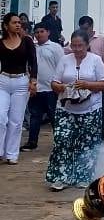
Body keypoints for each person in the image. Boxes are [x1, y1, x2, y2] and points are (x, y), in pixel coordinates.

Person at [46, 31, 104, 190]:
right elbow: (54, 82)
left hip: (90, 109)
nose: (77, 49)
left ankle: (83, 177)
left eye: (80, 45)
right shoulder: (64, 60)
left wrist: (87, 85)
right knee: (62, 141)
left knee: (87, 144)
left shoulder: (96, 60)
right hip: (65, 109)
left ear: (87, 45)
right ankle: (60, 177)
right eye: (74, 45)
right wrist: (61, 87)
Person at [0, 13, 38, 164]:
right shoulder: (1, 42)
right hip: (3, 80)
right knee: (1, 117)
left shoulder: (27, 41)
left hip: (21, 82)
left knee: (16, 121)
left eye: (19, 23)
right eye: (14, 22)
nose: (18, 25)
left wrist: (33, 81)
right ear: (6, 25)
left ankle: (11, 154)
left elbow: (33, 62)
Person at [22, 23, 63, 151]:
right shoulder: (32, 47)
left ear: (48, 32)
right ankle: (32, 142)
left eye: (42, 31)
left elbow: (61, 66)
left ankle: (60, 143)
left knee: (54, 117)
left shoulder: (55, 47)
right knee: (35, 116)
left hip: (51, 89)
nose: (39, 34)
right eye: (37, 32)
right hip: (36, 88)